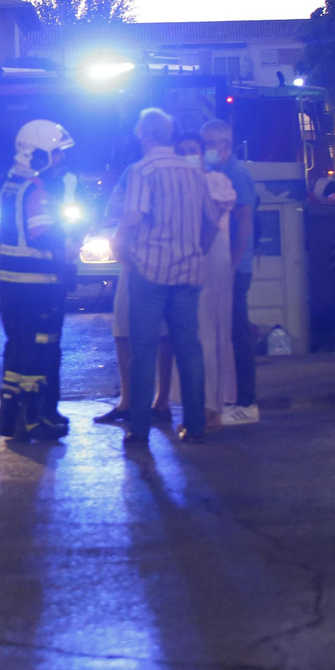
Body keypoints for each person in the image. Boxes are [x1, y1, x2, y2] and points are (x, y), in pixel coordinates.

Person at [114, 108, 219, 446]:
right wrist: (197, 250)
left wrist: (119, 243)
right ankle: (195, 425)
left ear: (145, 136)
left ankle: (140, 428)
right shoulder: (193, 172)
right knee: (189, 348)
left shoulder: (142, 170)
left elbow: (133, 216)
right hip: (188, 271)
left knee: (143, 350)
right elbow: (212, 221)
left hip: (149, 270)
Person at [0, 120, 76, 442]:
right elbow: (43, 234)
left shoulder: (11, 184)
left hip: (13, 284)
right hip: (38, 285)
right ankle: (32, 419)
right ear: (38, 154)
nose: (61, 160)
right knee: (41, 351)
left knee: (18, 351)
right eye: (57, 154)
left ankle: (12, 417)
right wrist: (67, 247)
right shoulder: (37, 189)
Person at [175, 131, 239, 432]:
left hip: (211, 260)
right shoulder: (178, 183)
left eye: (194, 149)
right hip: (190, 261)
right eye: (183, 150)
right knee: (194, 335)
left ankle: (211, 407)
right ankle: (199, 406)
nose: (190, 154)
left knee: (210, 333)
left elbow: (212, 222)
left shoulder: (216, 181)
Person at [202, 119, 261, 426]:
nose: (205, 149)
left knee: (237, 331)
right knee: (228, 332)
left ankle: (247, 402)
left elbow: (245, 223)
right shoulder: (217, 173)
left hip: (234, 267)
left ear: (225, 145)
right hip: (224, 266)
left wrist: (234, 265)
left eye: (209, 143)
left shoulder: (236, 174)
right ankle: (235, 399)